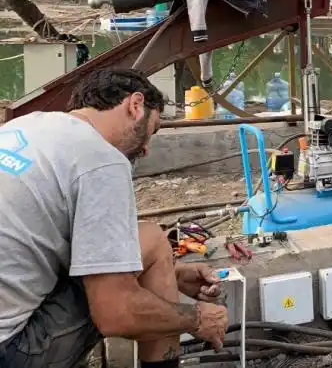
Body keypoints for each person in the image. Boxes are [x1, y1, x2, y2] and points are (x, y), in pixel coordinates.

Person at [0, 68, 229, 368]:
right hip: (12, 351)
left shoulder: (25, 127)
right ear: (135, 106)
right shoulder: (101, 159)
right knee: (152, 238)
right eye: (154, 128)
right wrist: (196, 319)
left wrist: (171, 275)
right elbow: (116, 312)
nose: (146, 148)